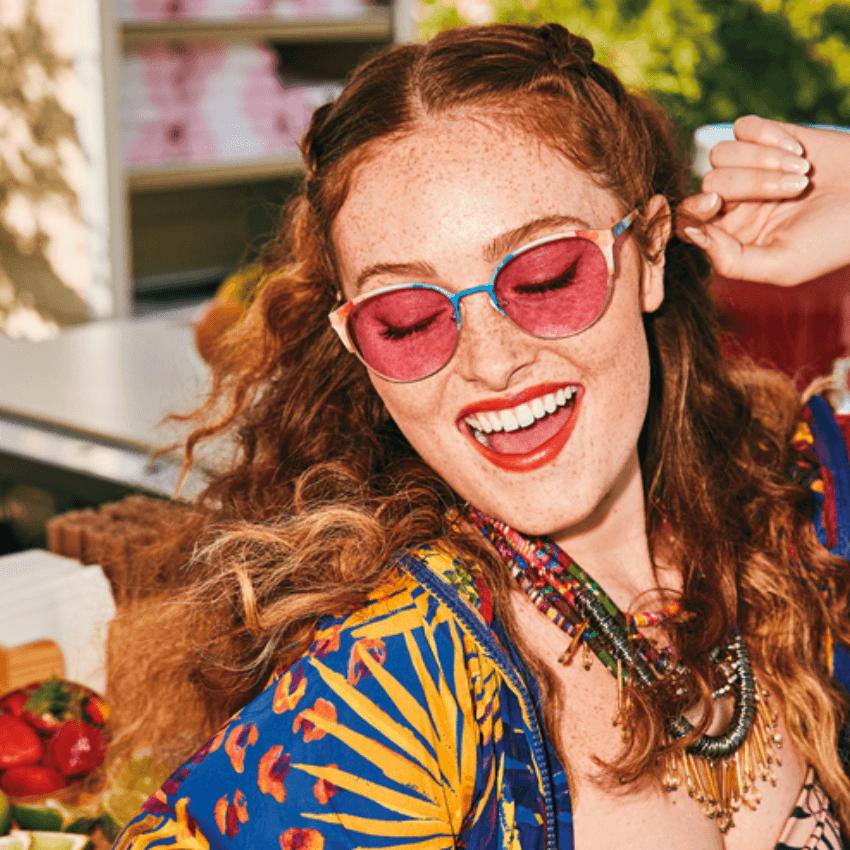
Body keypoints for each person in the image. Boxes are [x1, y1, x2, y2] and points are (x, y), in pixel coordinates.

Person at [108, 22, 850, 850]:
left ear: (648, 252)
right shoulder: (385, 693)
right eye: (408, 319)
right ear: (358, 346)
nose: (491, 362)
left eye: (545, 276)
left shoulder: (792, 519)